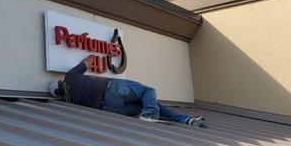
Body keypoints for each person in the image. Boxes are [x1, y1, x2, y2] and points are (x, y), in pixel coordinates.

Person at [49, 56, 202, 126]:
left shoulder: (70, 100)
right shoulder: (70, 77)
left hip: (110, 109)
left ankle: (186, 120)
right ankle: (150, 115)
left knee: (151, 103)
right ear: (60, 83)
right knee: (148, 92)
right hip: (112, 89)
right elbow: (88, 61)